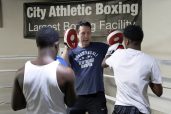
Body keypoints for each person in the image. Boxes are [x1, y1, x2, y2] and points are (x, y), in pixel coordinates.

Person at [11, 27, 77, 114]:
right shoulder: (66, 73)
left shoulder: (20, 73)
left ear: (37, 45)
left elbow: (16, 106)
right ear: (56, 45)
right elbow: (71, 103)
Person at [102, 25, 163, 114]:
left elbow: (103, 64)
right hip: (141, 110)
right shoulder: (150, 61)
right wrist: (148, 78)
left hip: (120, 109)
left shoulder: (117, 55)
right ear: (141, 40)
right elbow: (159, 92)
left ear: (126, 42)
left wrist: (113, 46)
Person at [62, 20, 109, 114]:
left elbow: (117, 51)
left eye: (88, 33)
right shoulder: (71, 50)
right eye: (83, 33)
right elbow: (64, 65)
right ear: (77, 34)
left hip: (96, 96)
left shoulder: (101, 47)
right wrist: (66, 46)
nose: (86, 36)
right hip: (77, 96)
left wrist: (113, 39)